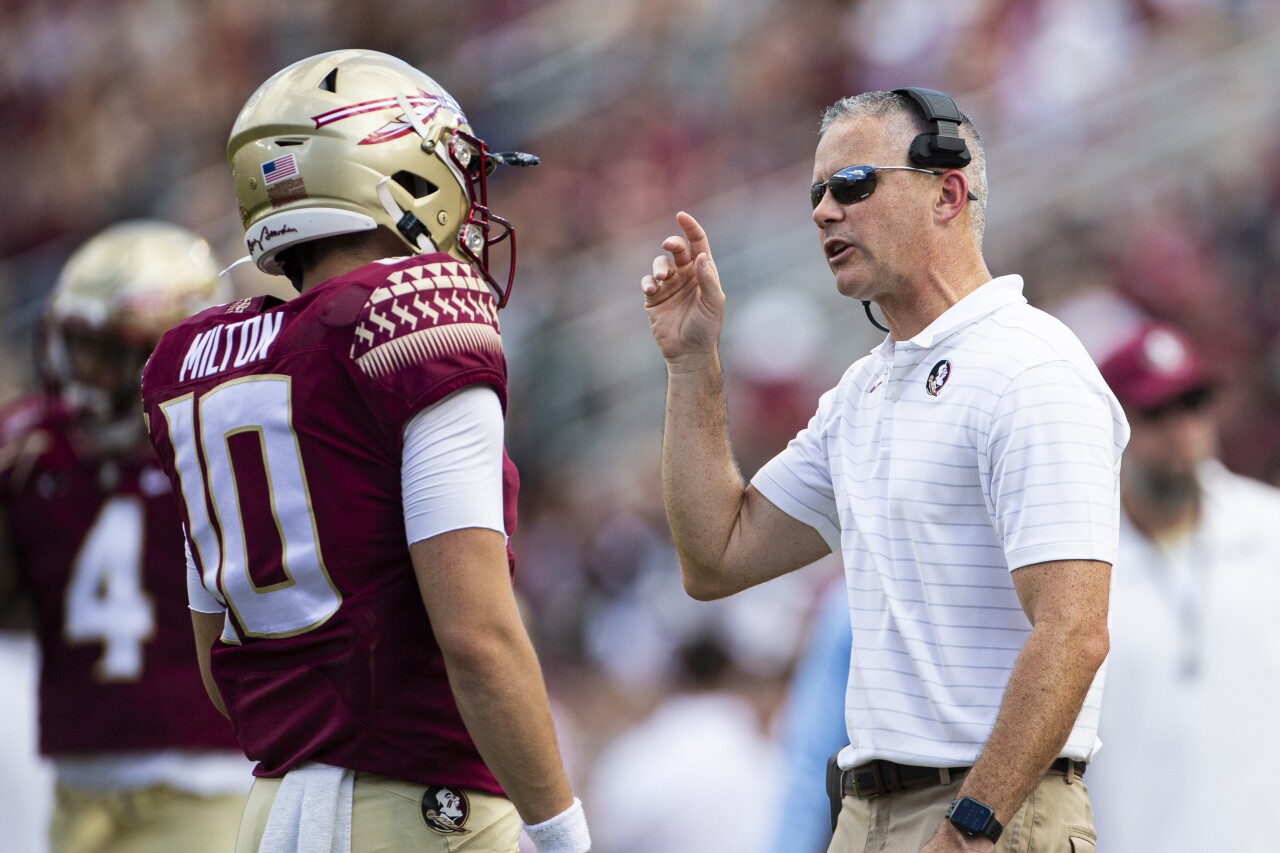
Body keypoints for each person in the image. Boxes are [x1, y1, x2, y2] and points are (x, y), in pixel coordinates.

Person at [639, 87, 1129, 852]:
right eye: (817, 192)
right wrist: (692, 362)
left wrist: (969, 829)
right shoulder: (865, 390)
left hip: (992, 811)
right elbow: (716, 555)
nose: (824, 211)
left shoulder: (1032, 365)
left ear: (947, 192)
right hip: (870, 813)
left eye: (854, 183)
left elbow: (1074, 630)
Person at [139, 49, 589, 853]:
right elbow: (477, 634)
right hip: (426, 807)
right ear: (394, 165)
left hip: (270, 811)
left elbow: (219, 659)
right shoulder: (413, 322)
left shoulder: (194, 363)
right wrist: (562, 832)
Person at [0, 220, 251, 852]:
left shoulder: (220, 451)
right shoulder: (32, 454)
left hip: (205, 781)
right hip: (74, 782)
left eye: (111, 353)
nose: (84, 375)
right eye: (77, 348)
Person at [1086, 321, 1280, 852]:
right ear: (1112, 426)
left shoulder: (1270, 529)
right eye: (1156, 413)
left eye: (1192, 404)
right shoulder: (1076, 568)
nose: (1182, 430)